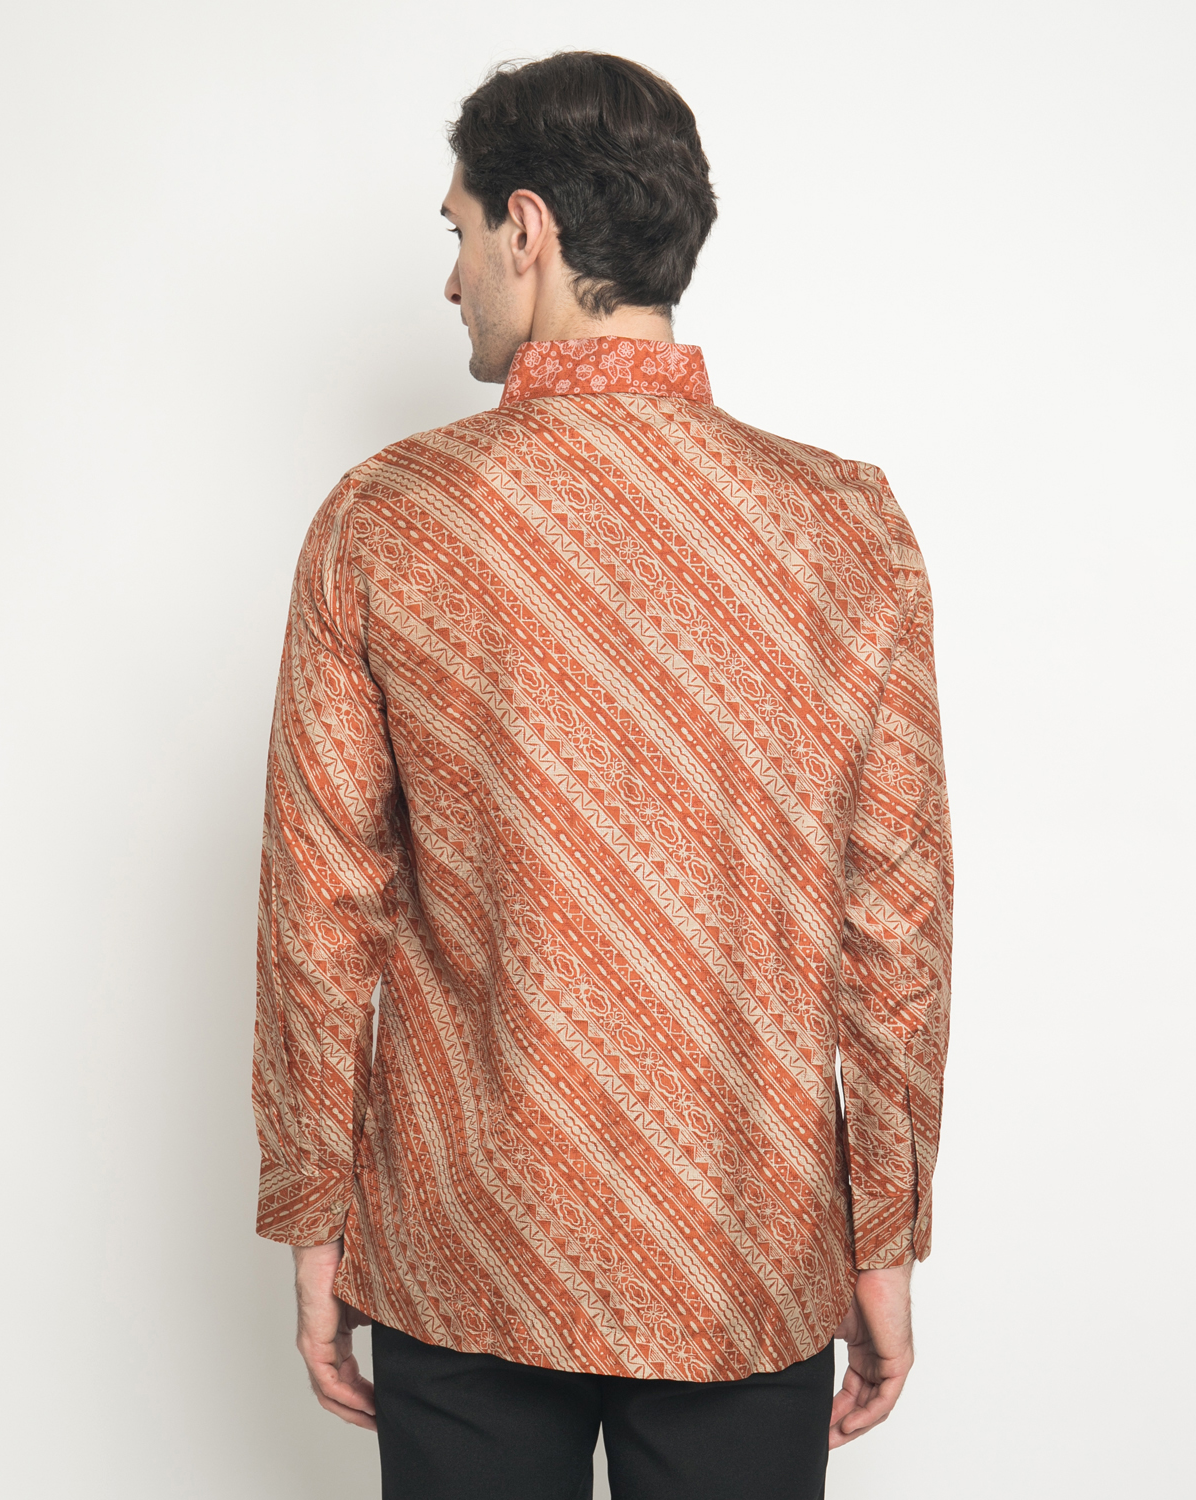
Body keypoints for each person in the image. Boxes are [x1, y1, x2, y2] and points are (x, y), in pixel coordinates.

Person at [252, 51, 952, 1500]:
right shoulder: (845, 527)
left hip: (468, 1243)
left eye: (457, 233)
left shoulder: (390, 519)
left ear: (529, 228)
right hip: (742, 1251)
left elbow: (321, 913)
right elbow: (894, 925)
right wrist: (880, 1237)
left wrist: (317, 1218)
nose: (451, 280)